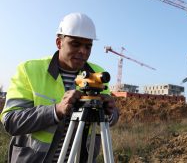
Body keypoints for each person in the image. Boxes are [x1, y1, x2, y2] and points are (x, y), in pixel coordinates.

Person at [0, 12, 119, 162]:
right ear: (59, 42)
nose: (83, 51)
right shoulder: (29, 70)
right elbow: (11, 121)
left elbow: (112, 117)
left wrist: (110, 113)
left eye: (88, 46)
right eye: (75, 44)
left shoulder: (97, 75)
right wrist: (55, 111)